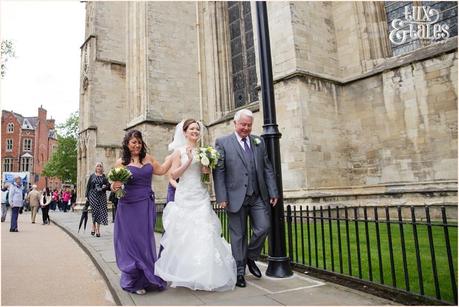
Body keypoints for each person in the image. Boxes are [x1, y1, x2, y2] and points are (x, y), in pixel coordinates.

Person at [155, 119, 237, 292]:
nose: (195, 131)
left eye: (197, 129)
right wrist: (188, 160)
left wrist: (206, 171)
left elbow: (205, 179)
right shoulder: (178, 152)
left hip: (200, 194)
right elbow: (174, 174)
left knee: (205, 231)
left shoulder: (205, 151)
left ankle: (205, 274)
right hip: (185, 195)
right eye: (192, 129)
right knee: (186, 234)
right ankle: (187, 273)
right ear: (185, 132)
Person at [213, 109, 279, 288]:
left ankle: (250, 257)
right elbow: (219, 171)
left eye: (249, 125)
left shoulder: (258, 142)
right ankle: (240, 271)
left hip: (257, 196)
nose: (246, 128)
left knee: (264, 227)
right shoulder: (223, 142)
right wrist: (222, 196)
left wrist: (273, 191)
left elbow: (267, 168)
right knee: (238, 236)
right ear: (235, 123)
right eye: (243, 124)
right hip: (235, 197)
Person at [111, 129, 173, 295]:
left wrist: (173, 157)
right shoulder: (120, 163)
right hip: (128, 206)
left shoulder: (149, 159)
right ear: (127, 144)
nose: (137, 145)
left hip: (145, 205)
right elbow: (115, 186)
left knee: (144, 240)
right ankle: (134, 280)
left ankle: (146, 276)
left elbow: (161, 170)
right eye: (133, 142)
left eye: (139, 142)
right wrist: (115, 187)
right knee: (130, 241)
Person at [85, 162, 110, 237]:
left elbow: (108, 186)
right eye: (97, 166)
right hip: (93, 195)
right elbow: (88, 186)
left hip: (101, 196)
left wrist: (103, 187)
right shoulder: (92, 176)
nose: (99, 167)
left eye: (100, 166)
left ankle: (98, 229)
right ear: (95, 168)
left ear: (102, 168)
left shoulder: (104, 177)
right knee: (94, 211)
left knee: (99, 212)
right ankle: (93, 226)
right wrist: (86, 196)